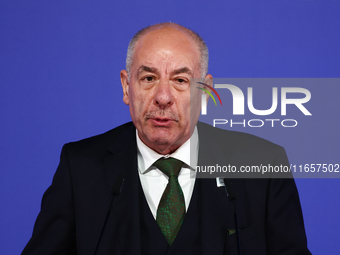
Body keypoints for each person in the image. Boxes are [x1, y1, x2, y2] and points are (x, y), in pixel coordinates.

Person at [22, 23, 311, 255]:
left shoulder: (263, 165)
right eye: (148, 78)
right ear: (126, 86)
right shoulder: (81, 168)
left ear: (205, 90)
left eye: (180, 80)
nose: (163, 97)